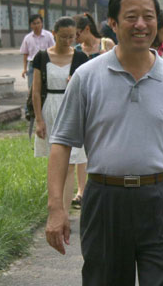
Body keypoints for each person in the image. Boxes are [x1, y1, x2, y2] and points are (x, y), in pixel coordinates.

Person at [45, 0, 163, 286]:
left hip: (159, 200)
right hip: (105, 200)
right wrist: (56, 208)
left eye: (148, 16)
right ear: (113, 23)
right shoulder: (87, 77)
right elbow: (62, 144)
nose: (141, 25)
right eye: (131, 17)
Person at [32, 17, 89, 215]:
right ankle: (55, 207)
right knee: (55, 162)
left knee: (71, 162)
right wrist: (39, 120)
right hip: (50, 109)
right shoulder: (41, 57)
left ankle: (64, 211)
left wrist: (76, 83)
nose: (67, 41)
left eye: (71, 37)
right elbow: (36, 91)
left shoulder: (81, 58)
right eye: (63, 36)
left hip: (73, 110)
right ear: (54, 34)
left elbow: (89, 88)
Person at [70, 13, 116, 209]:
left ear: (87, 29)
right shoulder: (77, 51)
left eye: (77, 33)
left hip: (106, 100)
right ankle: (82, 190)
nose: (74, 38)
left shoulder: (106, 44)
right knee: (80, 148)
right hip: (84, 102)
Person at [20, 14, 55, 90]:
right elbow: (25, 54)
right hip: (32, 64)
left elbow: (54, 50)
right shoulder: (27, 38)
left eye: (38, 23)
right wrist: (24, 69)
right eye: (34, 23)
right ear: (30, 25)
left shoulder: (48, 35)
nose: (36, 25)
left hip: (46, 63)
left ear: (42, 23)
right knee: (32, 87)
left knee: (46, 86)